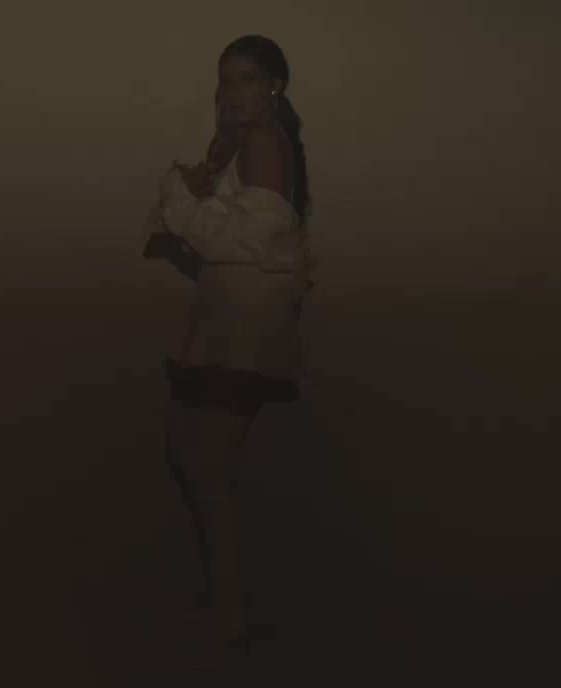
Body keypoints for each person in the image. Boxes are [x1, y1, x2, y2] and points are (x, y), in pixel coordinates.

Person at [142, 34, 314, 669]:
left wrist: (176, 192)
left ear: (274, 86)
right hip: (226, 316)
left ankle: (231, 616)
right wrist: (190, 196)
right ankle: (226, 600)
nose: (231, 91)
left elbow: (238, 241)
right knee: (193, 454)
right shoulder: (242, 145)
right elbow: (218, 242)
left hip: (244, 322)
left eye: (246, 78)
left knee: (204, 462)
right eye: (225, 79)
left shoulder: (266, 140)